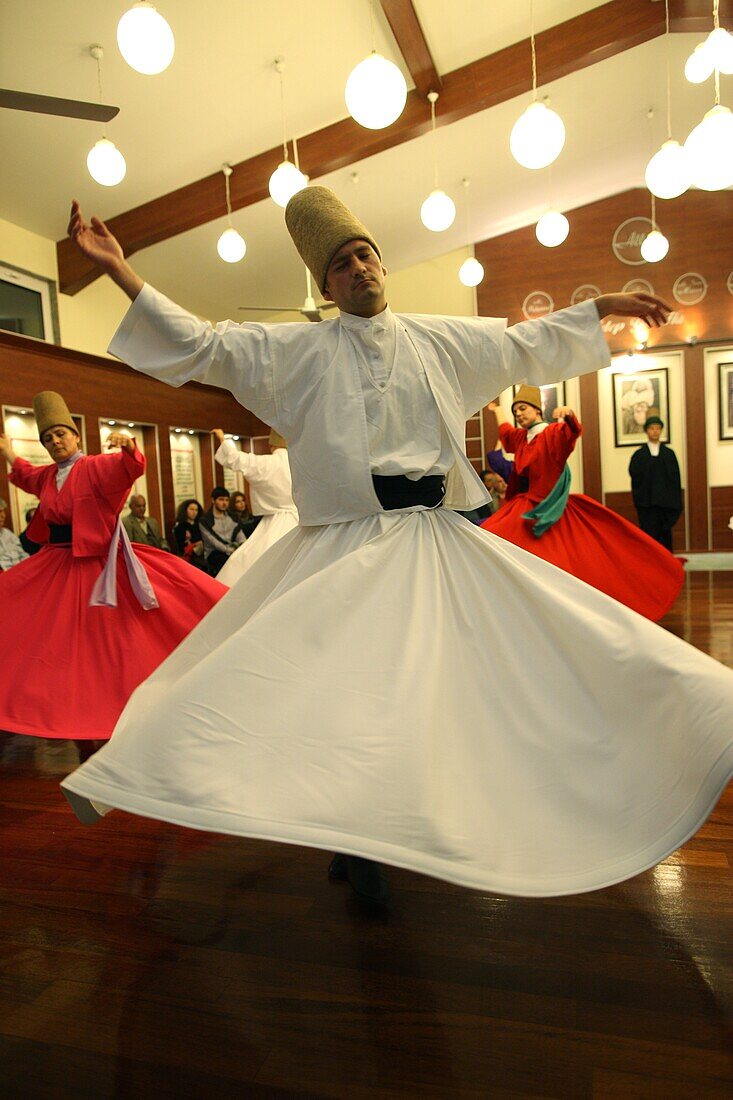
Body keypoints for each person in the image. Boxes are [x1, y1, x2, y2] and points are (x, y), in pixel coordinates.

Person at [60, 192, 733, 908]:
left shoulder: (434, 338)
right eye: (340, 266)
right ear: (326, 289)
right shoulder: (296, 350)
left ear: (380, 263)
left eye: (362, 255)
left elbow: (518, 344)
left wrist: (597, 307)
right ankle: (355, 839)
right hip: (344, 548)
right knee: (346, 697)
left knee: (510, 656)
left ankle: (661, 726)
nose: (357, 269)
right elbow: (204, 344)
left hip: (430, 538)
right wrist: (118, 271)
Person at [0, 390, 226, 744]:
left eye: (60, 434)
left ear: (75, 435)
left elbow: (130, 467)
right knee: (40, 627)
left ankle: (125, 705)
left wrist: (128, 447)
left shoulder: (93, 466)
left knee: (111, 641)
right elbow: (26, 474)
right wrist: (7, 452)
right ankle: (65, 706)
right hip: (57, 563)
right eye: (47, 438)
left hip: (98, 566)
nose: (55, 441)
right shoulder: (47, 477)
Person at [480, 393, 683, 620]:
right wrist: (497, 410)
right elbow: (505, 431)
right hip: (525, 507)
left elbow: (571, 434)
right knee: (491, 537)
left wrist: (568, 416)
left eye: (523, 408)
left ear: (537, 410)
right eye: (516, 410)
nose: (518, 413)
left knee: (570, 563)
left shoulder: (552, 434)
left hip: (548, 508)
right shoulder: (520, 438)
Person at [212, 427, 299, 586]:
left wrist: (222, 439)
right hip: (301, 522)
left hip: (274, 523)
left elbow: (234, 458)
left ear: (271, 445)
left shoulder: (265, 463)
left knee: (252, 566)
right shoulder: (300, 464)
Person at [628, 414, 683, 552]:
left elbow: (675, 480)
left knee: (665, 537)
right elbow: (635, 478)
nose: (655, 431)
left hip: (666, 505)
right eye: (652, 428)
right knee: (649, 537)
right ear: (647, 431)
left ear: (661, 431)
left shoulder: (669, 454)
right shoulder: (639, 455)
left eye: (658, 428)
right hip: (647, 505)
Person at [198, 486, 245, 576]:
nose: (224, 503)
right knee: (225, 561)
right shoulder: (205, 520)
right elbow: (214, 542)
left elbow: (240, 534)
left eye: (227, 500)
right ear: (213, 500)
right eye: (221, 500)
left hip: (233, 550)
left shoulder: (233, 517)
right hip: (215, 553)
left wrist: (243, 546)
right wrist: (231, 551)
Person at [171, 498, 206, 570]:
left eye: (196, 510)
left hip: (202, 555)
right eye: (191, 509)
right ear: (185, 510)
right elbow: (180, 546)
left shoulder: (200, 525)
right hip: (188, 558)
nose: (194, 512)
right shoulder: (180, 527)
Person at [0, 496, 29, 570]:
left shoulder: (8, 534)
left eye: (3, 511)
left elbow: (24, 556)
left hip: (20, 574)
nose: (2, 516)